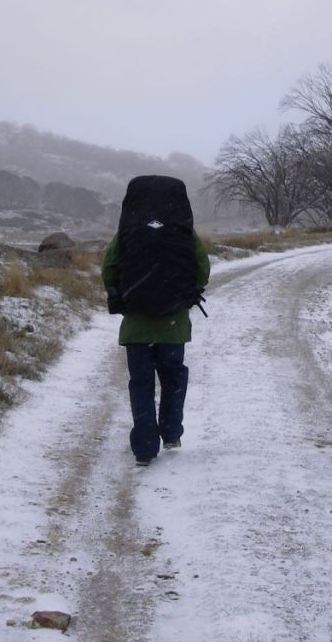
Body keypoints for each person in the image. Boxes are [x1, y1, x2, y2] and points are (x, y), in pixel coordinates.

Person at [101, 176, 211, 466]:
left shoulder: (127, 231)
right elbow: (202, 269)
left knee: (141, 383)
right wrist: (182, 293)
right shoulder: (183, 232)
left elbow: (108, 268)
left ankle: (145, 448)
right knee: (173, 376)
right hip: (173, 325)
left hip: (137, 325)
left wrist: (123, 292)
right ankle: (172, 433)